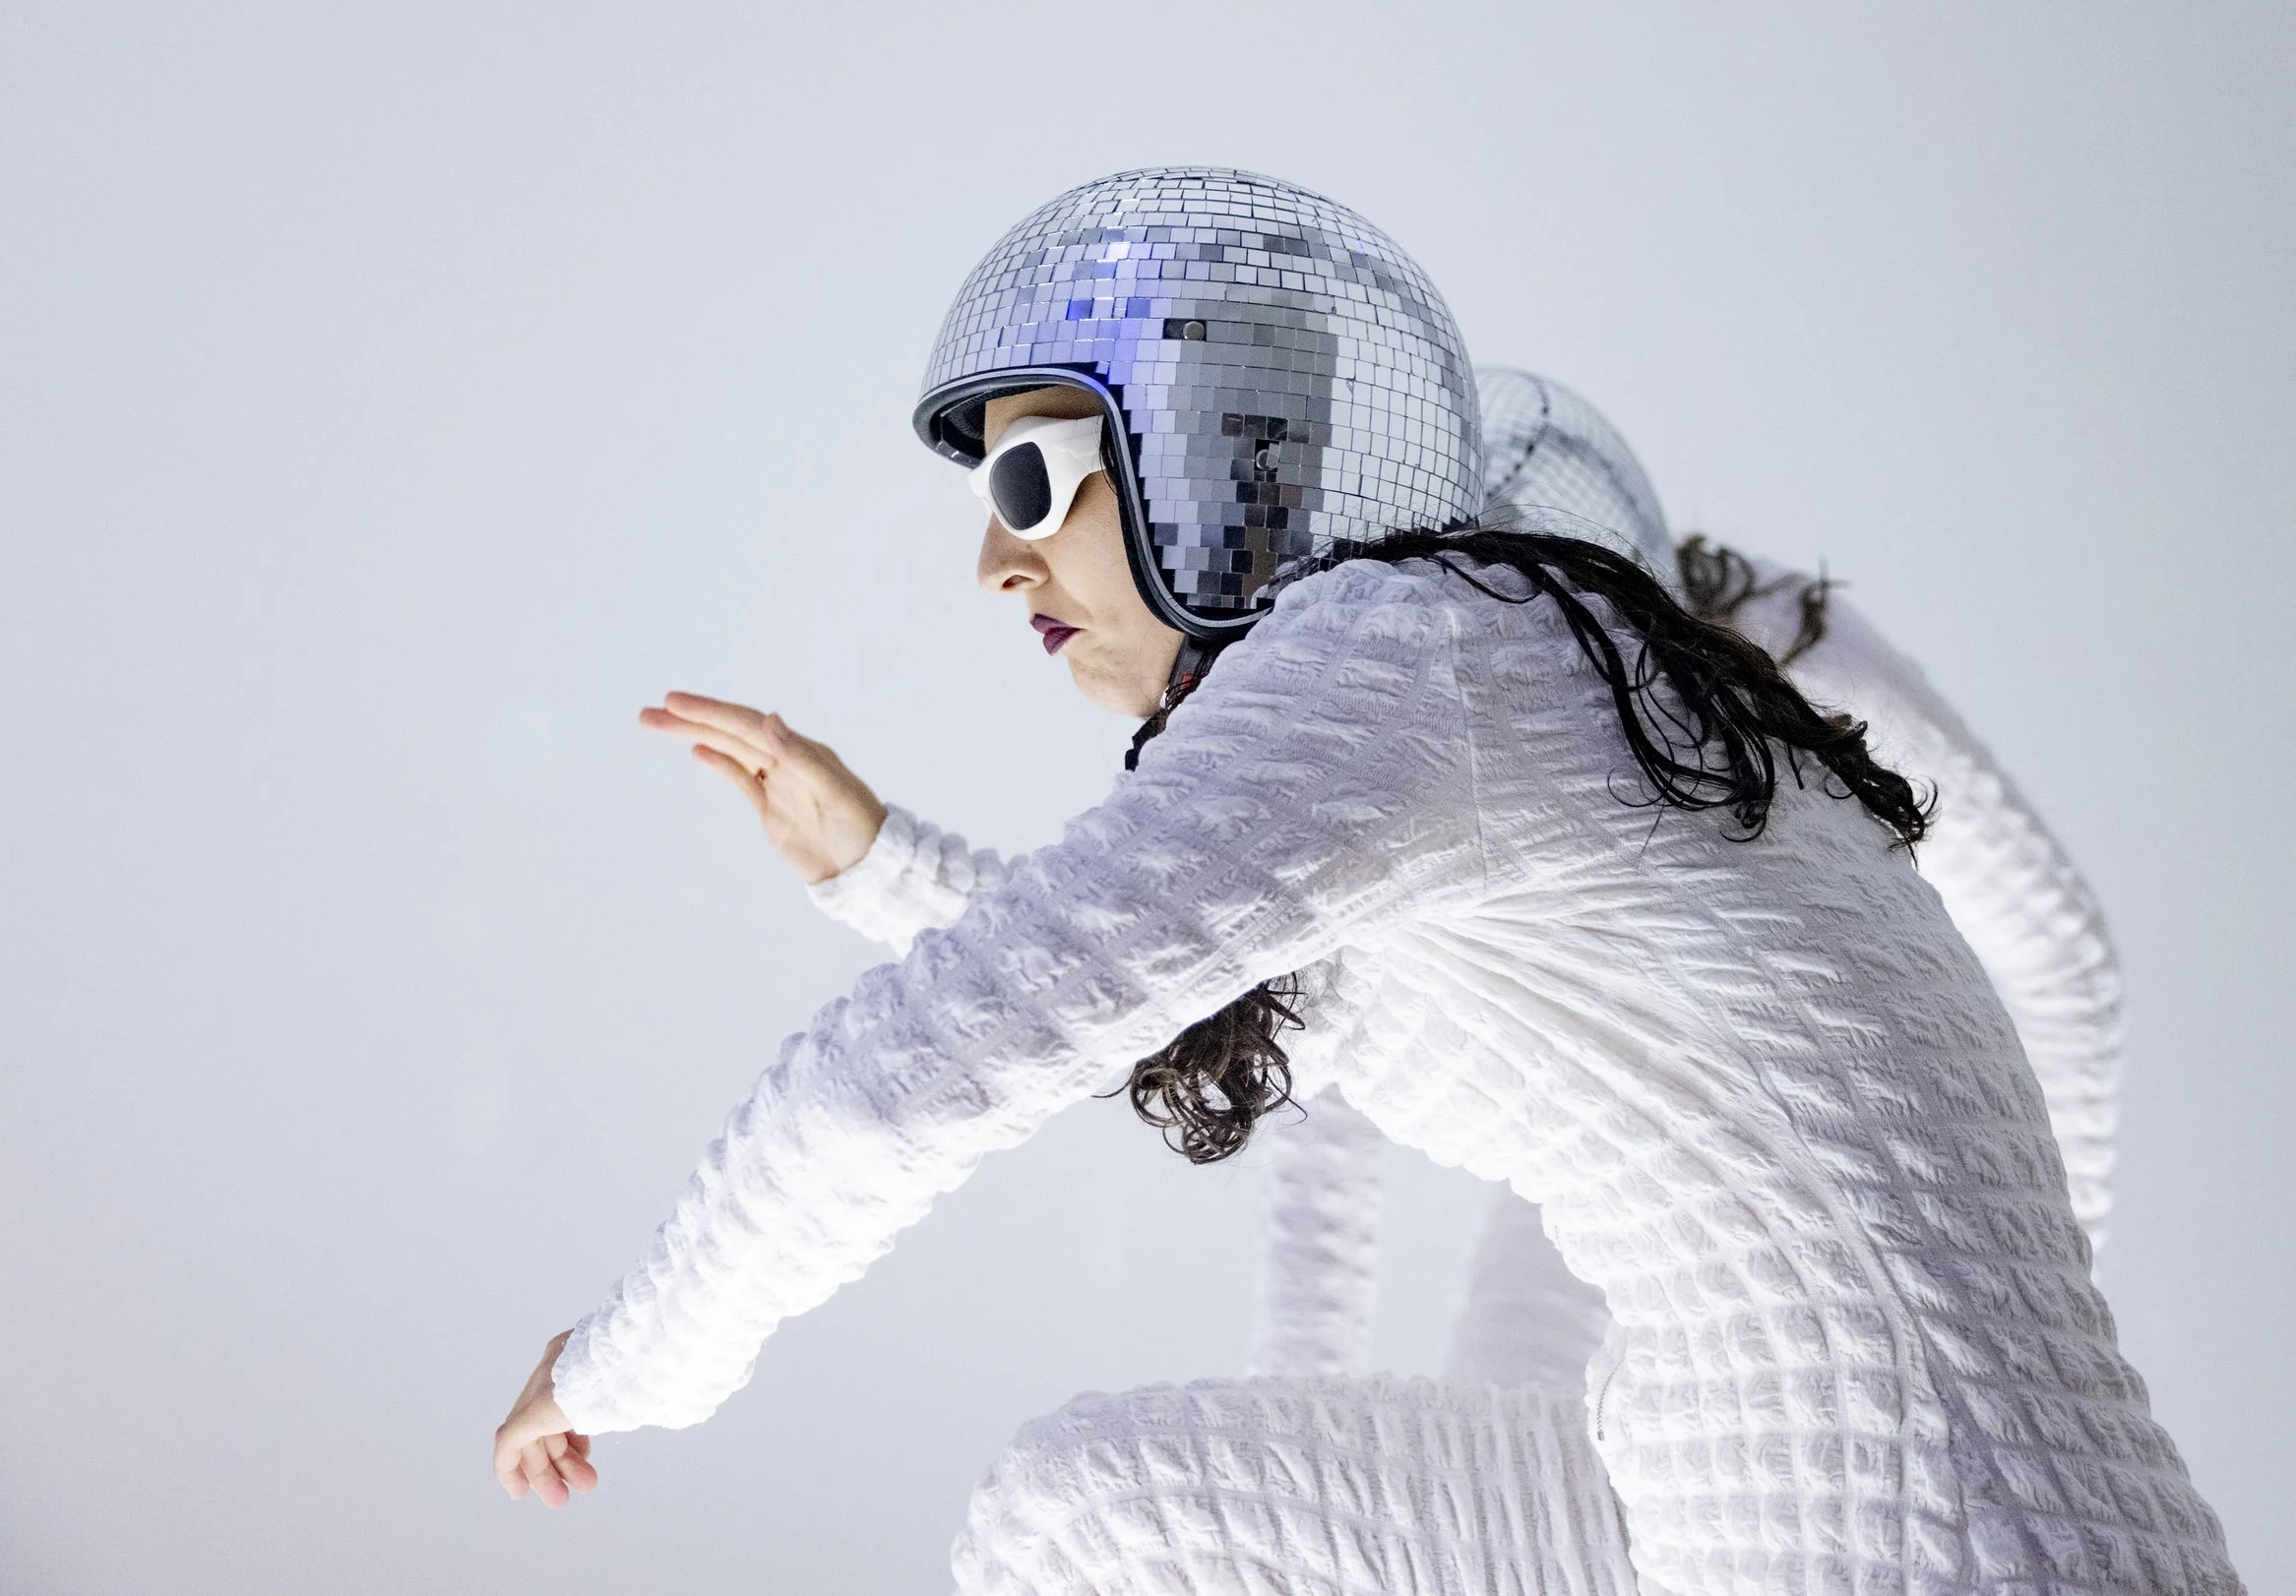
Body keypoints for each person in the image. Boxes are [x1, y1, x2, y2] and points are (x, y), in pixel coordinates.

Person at [492, 169, 2239, 1595]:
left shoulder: (1423, 643)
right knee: (1096, 1515)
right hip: (1704, 1499)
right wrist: (875, 865)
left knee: (1095, 1513)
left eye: (1032, 474)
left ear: (1199, 458)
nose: (991, 556)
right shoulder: (1507, 715)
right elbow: (1144, 1001)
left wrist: (618, 1365)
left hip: (1929, 1546)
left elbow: (909, 1081)